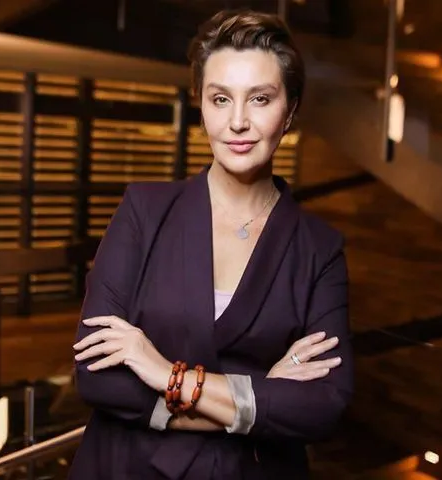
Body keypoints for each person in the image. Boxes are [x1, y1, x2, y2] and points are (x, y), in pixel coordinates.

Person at [70, 9, 353, 480]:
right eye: (220, 99)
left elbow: (323, 405)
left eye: (260, 99)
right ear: (201, 107)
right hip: (126, 469)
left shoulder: (319, 248)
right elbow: (97, 377)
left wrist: (166, 374)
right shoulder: (144, 210)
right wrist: (258, 394)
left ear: (290, 112)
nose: (237, 121)